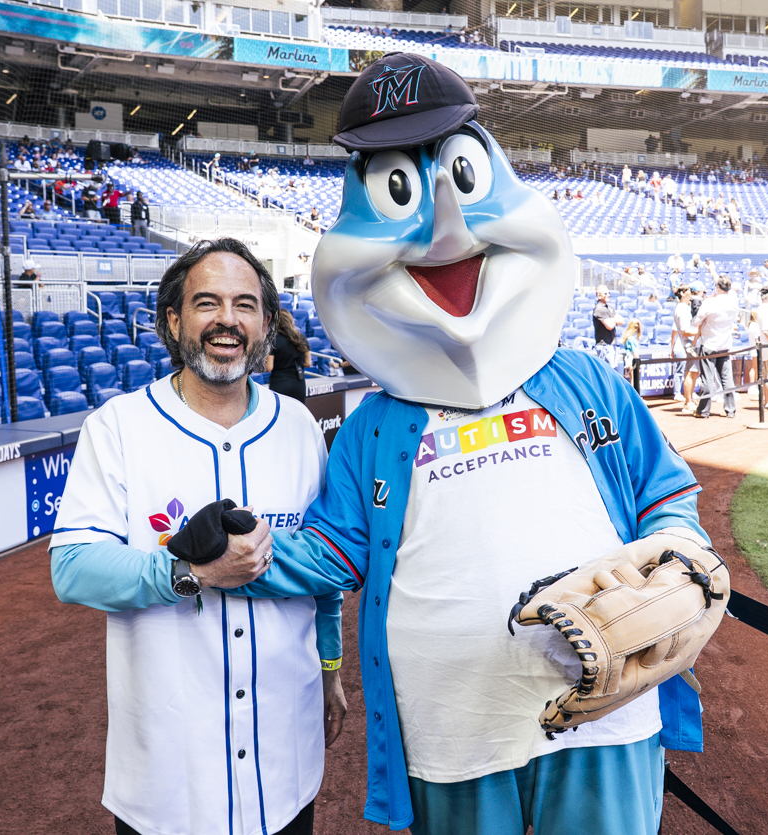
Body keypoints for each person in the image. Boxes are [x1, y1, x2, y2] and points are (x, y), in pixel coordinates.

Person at [208, 53, 715, 835]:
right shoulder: (375, 426)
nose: (445, 227)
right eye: (399, 188)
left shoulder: (582, 378)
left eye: (460, 177)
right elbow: (336, 551)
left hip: (604, 720)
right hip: (452, 735)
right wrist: (250, 551)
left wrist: (677, 554)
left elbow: (663, 494)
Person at [50, 238, 347, 835]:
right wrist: (193, 574)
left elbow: (324, 573)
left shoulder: (297, 427)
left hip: (280, 761)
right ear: (174, 318)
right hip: (168, 772)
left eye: (244, 304)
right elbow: (73, 567)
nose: (227, 320)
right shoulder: (118, 427)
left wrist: (331, 666)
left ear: (265, 323)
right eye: (206, 303)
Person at [692, 275, 738, 419]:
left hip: (710, 344)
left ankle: (703, 410)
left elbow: (696, 322)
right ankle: (730, 410)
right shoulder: (733, 301)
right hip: (724, 344)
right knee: (726, 378)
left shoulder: (710, 302)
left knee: (708, 380)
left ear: (718, 287)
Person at [265, 309, 312, 403]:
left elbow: (269, 367)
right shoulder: (300, 338)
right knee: (297, 414)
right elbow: (308, 363)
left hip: (280, 383)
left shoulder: (273, 339)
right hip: (299, 383)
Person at [671, 285, 700, 413]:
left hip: (692, 345)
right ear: (682, 293)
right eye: (689, 291)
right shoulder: (682, 308)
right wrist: (699, 332)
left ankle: (690, 399)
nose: (691, 293)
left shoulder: (684, 307)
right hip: (690, 345)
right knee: (690, 372)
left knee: (694, 372)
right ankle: (688, 402)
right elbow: (685, 331)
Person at [592, 284, 624, 365]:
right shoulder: (599, 309)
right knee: (607, 371)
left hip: (611, 344)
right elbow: (610, 326)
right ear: (599, 296)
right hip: (604, 345)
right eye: (605, 294)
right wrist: (614, 319)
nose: (608, 295)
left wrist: (612, 320)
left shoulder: (609, 308)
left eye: (608, 293)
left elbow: (621, 321)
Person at [622, 319, 642, 393]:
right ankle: (635, 396)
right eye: (635, 327)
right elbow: (634, 353)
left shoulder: (629, 338)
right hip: (632, 359)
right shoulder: (631, 339)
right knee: (633, 378)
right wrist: (638, 363)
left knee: (632, 378)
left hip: (629, 358)